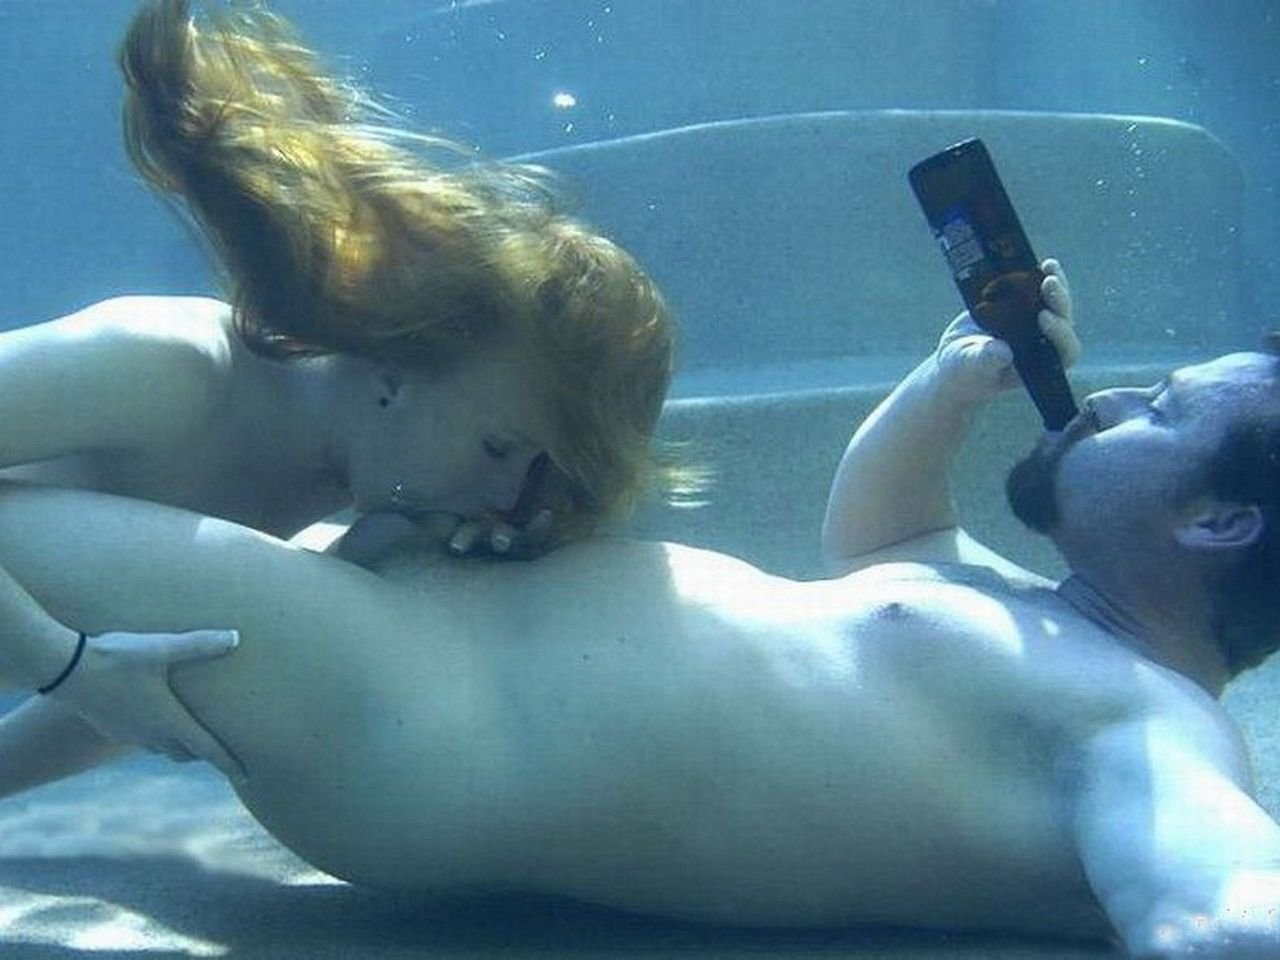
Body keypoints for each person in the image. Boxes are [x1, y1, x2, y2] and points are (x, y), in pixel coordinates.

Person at [2, 262, 1280, 956]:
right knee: (108, 583)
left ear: (1217, 521)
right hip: (405, 652)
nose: (1112, 398)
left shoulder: (1150, 727)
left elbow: (1219, 907)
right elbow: (883, 529)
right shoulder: (1025, 611)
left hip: (416, 720)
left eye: (1162, 410)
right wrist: (948, 385)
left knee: (17, 521)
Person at [1, 0, 676, 768]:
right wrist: (58, 662)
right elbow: (93, 676)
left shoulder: (340, 487)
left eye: (534, 470)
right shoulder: (169, 365)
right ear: (393, 375)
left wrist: (371, 562)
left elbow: (145, 687)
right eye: (499, 447)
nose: (507, 495)